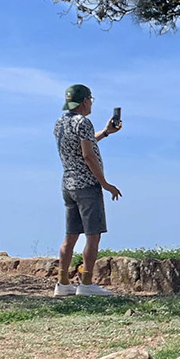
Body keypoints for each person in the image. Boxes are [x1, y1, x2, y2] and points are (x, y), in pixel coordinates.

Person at [53, 83, 123, 296]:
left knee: (70, 236)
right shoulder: (83, 122)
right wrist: (105, 183)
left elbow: (82, 144)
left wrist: (106, 132)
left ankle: (63, 282)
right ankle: (86, 283)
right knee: (93, 236)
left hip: (68, 185)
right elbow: (88, 155)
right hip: (87, 186)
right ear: (85, 101)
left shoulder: (60, 123)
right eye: (90, 100)